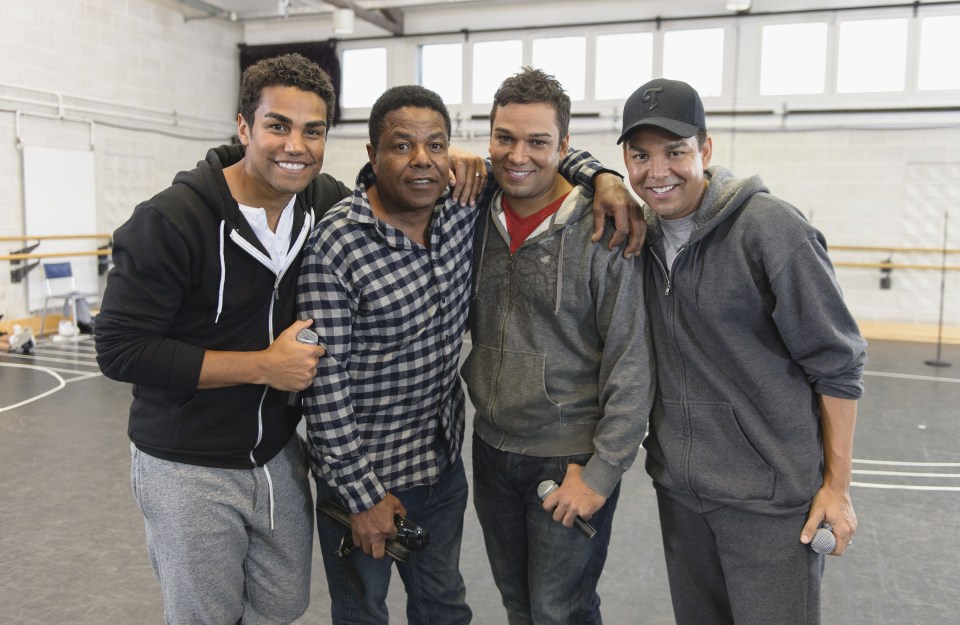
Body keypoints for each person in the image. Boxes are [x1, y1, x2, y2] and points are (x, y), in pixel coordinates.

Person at [297, 84, 635, 625]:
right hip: (363, 473)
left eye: (436, 145)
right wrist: (362, 496)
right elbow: (323, 384)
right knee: (361, 611)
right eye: (402, 146)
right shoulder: (338, 244)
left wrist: (604, 176)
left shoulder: (459, 206)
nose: (421, 160)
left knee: (447, 609)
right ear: (371, 155)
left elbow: (529, 152)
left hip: (441, 462)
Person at [95, 54, 344, 625]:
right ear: (243, 127)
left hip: (278, 456)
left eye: (313, 130)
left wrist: (593, 173)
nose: (295, 145)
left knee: (282, 605)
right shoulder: (171, 220)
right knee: (204, 616)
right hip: (187, 464)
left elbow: (402, 180)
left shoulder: (324, 203)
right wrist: (264, 367)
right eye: (277, 125)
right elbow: (119, 348)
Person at [619, 78, 867, 625]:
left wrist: (837, 488)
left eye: (675, 153)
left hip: (769, 502)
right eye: (640, 157)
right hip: (681, 493)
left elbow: (838, 364)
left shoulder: (772, 229)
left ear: (704, 150)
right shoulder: (641, 237)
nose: (657, 172)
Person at [459, 67, 654, 625]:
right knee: (520, 605)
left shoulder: (604, 227)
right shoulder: (473, 212)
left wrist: (600, 473)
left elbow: (632, 361)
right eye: (506, 138)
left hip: (569, 456)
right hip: (492, 450)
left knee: (559, 610)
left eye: (539, 142)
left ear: (565, 147)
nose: (519, 155)